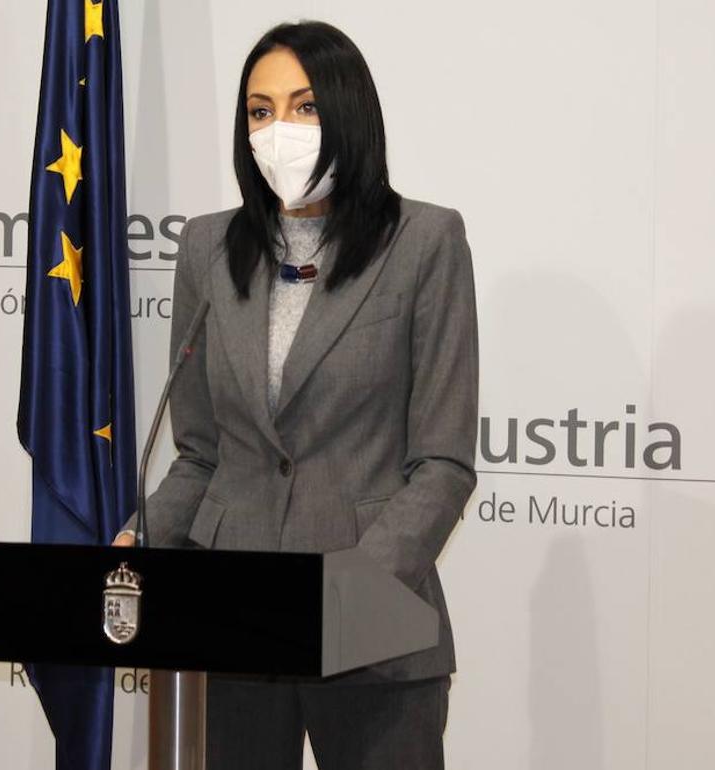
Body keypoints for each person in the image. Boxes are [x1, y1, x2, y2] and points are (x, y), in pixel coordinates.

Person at [113, 19, 478, 770]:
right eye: (260, 110)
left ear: (347, 112)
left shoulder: (425, 242)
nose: (279, 129)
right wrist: (138, 541)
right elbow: (202, 453)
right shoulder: (207, 249)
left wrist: (350, 596)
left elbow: (442, 465)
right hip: (232, 628)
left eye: (304, 106)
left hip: (375, 634)